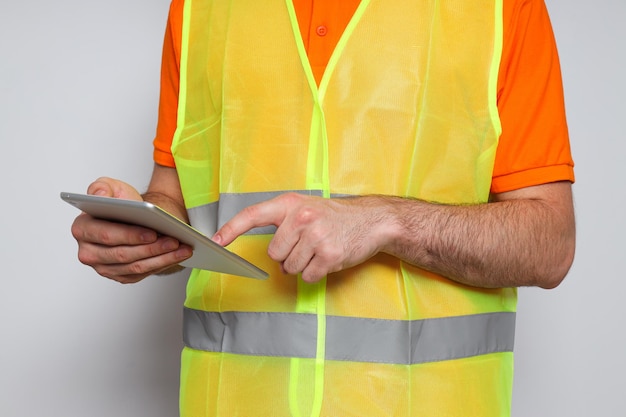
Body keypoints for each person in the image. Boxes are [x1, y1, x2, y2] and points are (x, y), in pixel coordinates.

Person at [71, 0, 575, 415]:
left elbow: (549, 243)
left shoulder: (499, 10)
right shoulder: (199, 10)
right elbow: (174, 200)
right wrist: (142, 227)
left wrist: (385, 219)